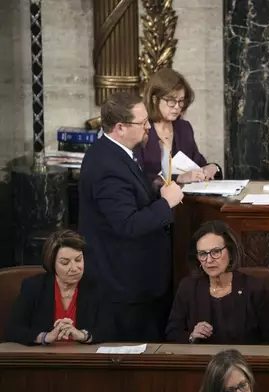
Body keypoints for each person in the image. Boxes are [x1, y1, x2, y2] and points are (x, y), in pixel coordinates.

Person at [78, 91, 184, 342]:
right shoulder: (107, 165)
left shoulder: (117, 151)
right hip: (125, 287)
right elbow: (127, 224)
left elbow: (129, 193)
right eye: (142, 122)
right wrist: (167, 203)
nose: (149, 126)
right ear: (120, 128)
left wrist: (155, 187)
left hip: (133, 283)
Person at [166, 220, 269, 344]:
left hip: (246, 362)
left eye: (215, 252)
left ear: (230, 252)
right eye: (203, 254)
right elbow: (172, 333)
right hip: (202, 361)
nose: (209, 260)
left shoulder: (257, 289)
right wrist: (191, 336)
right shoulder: (188, 288)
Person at [5, 230, 112, 345]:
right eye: (65, 263)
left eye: (78, 260)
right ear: (52, 264)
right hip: (43, 358)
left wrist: (82, 335)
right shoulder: (33, 287)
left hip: (84, 358)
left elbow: (110, 329)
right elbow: (13, 330)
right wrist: (45, 337)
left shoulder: (97, 287)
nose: (74, 268)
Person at [135, 67, 222, 185]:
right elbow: (137, 177)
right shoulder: (140, 129)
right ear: (155, 99)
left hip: (188, 200)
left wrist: (213, 167)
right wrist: (178, 178)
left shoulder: (183, 128)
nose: (177, 107)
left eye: (181, 101)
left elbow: (198, 164)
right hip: (154, 201)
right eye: (171, 101)